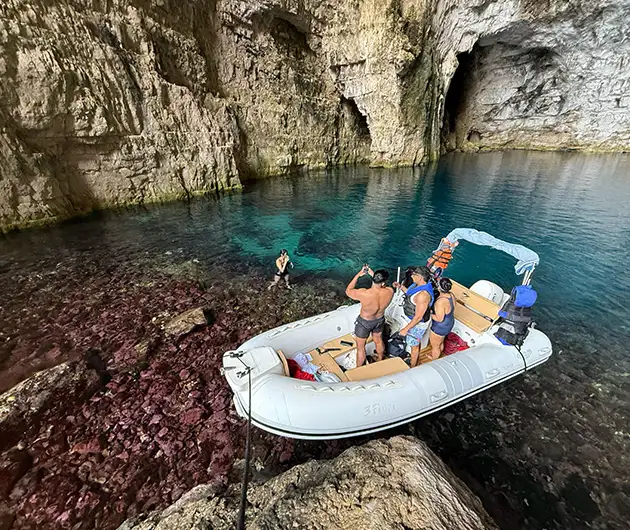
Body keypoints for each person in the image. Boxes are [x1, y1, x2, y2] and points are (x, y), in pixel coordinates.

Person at [345, 265, 394, 366]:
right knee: (378, 340)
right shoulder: (390, 291)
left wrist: (359, 274)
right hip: (379, 320)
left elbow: (348, 291)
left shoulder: (364, 293)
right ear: (384, 283)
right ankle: (380, 360)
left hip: (364, 322)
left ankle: (359, 369)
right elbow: (382, 286)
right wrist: (373, 274)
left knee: (360, 347)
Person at [393, 265, 434, 367]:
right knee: (415, 342)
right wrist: (400, 287)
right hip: (412, 319)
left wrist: (405, 329)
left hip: (418, 324)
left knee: (413, 345)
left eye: (413, 275)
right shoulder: (417, 286)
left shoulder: (423, 295)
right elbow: (410, 293)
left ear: (420, 277)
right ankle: (414, 360)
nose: (411, 276)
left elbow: (418, 317)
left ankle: (413, 365)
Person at [430, 277, 455, 360]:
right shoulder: (451, 295)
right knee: (440, 342)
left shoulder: (440, 302)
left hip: (440, 327)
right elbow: (454, 306)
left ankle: (434, 361)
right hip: (449, 323)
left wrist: (429, 314)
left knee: (435, 346)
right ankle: (437, 356)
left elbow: (439, 319)